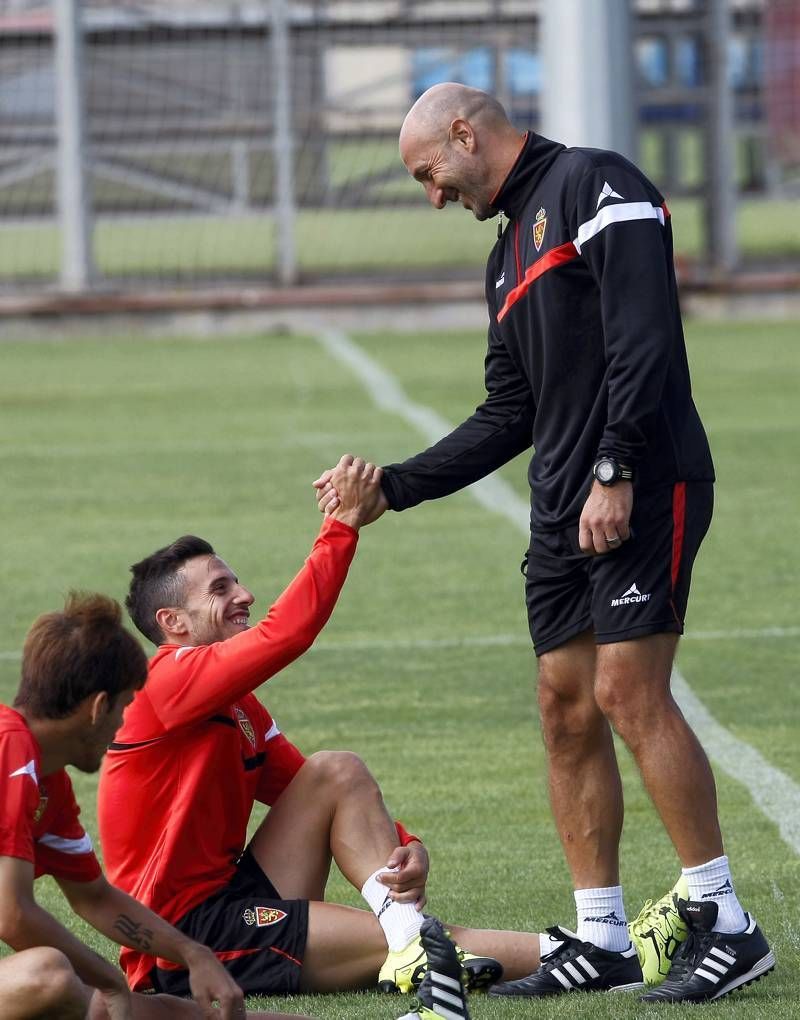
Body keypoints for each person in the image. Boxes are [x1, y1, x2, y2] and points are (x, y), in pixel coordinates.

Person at [313, 83, 774, 1004]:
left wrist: (615, 465)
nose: (432, 195)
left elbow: (644, 336)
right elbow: (509, 411)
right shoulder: (503, 256)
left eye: (429, 174)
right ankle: (601, 935)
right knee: (565, 706)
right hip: (562, 508)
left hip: (643, 481)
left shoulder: (596, 185)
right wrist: (393, 489)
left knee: (625, 689)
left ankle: (727, 924)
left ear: (464, 132)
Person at [97, 457, 542, 1001]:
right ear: (173, 623)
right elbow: (287, 633)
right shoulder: (161, 683)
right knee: (436, 940)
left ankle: (410, 946)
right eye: (219, 589)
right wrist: (343, 525)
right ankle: (590, 956)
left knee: (336, 771)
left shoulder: (237, 705)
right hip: (183, 943)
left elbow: (310, 786)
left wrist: (409, 844)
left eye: (235, 580)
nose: (244, 595)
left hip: (232, 900)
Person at [0, 591, 307, 1020]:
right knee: (49, 975)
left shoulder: (49, 782)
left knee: (159, 1010)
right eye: (125, 707)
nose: (123, 725)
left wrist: (194, 953)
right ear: (98, 707)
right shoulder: (9, 752)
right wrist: (109, 980)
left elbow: (94, 899)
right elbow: (12, 914)